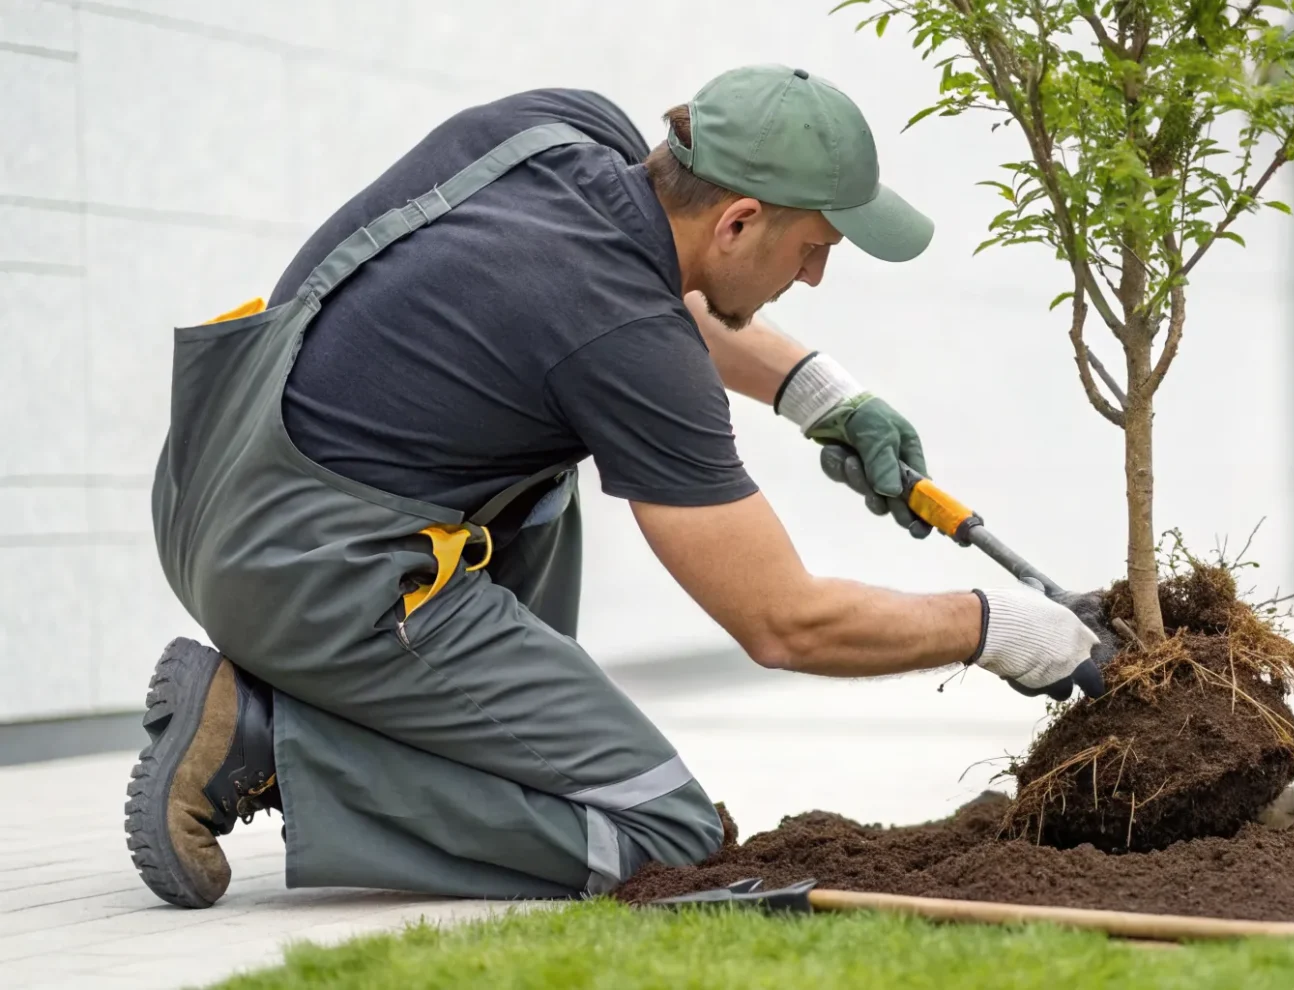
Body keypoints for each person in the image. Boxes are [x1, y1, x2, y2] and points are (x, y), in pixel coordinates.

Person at [128, 65, 1110, 910]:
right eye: (814, 247)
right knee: (656, 831)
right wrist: (1004, 629)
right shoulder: (626, 344)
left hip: (215, 480)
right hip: (312, 570)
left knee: (542, 476)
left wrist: (821, 395)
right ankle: (262, 738)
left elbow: (644, 291)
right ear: (739, 219)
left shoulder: (562, 130)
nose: (813, 278)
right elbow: (785, 623)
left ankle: (385, 710)